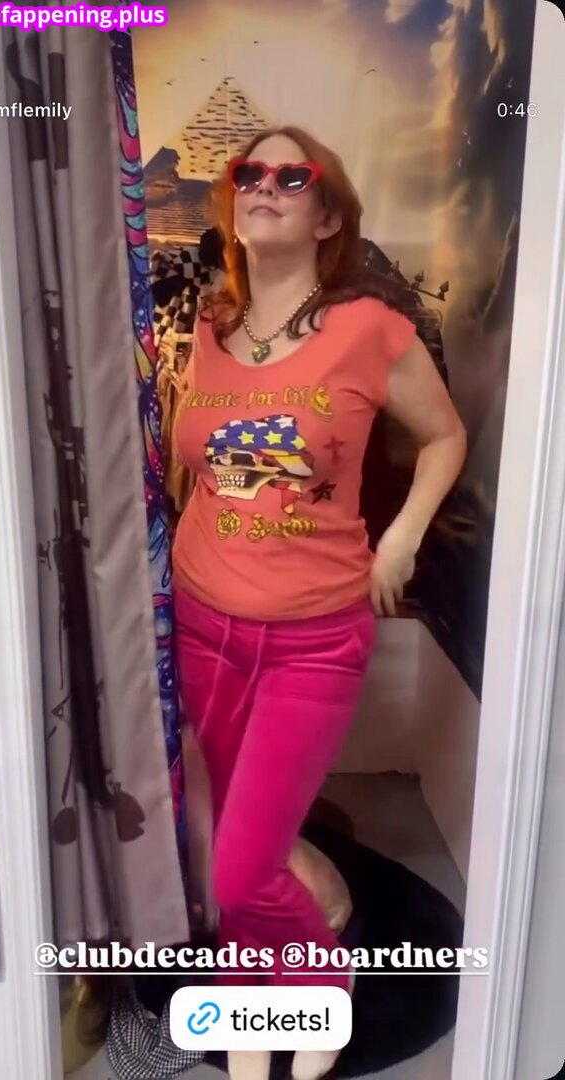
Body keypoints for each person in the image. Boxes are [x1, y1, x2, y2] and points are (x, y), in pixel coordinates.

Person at [170, 125, 467, 1080]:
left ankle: (322, 977)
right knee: (233, 837)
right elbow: (205, 474)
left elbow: (445, 436)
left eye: (291, 176)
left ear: (328, 215)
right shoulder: (210, 329)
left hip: (311, 641)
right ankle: (257, 1010)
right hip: (203, 623)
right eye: (248, 172)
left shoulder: (368, 328)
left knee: (240, 865)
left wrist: (403, 535)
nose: (265, 184)